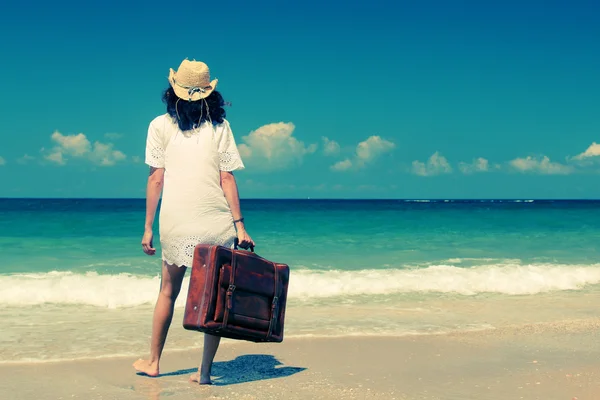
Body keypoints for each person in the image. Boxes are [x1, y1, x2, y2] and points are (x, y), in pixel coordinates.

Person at [133, 59, 254, 384]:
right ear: (208, 95)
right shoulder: (220, 127)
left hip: (176, 222)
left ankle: (154, 362)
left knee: (168, 292)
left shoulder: (159, 125)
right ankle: (204, 372)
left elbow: (156, 179)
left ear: (173, 92)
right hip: (216, 222)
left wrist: (147, 227)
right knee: (213, 298)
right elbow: (226, 178)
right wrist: (239, 224)